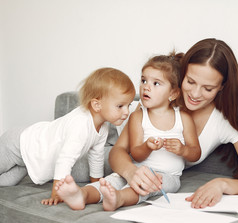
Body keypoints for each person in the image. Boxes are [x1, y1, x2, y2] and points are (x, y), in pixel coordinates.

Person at [108, 38, 238, 209]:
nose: (195, 94)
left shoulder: (222, 122)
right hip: (112, 138)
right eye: (190, 82)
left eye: (208, 88)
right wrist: (131, 172)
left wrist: (222, 184)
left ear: (222, 87)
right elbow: (117, 152)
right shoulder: (159, 99)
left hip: (156, 174)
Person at [55, 52, 201, 211]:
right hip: (136, 168)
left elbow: (195, 153)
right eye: (144, 80)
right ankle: (81, 195)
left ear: (173, 93)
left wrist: (183, 149)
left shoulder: (183, 118)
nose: (146, 86)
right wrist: (147, 147)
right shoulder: (137, 117)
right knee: (111, 181)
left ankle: (119, 199)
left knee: (145, 186)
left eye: (156, 83)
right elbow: (136, 154)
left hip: (168, 176)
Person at [0, 67, 135, 206]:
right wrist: (57, 193)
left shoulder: (103, 128)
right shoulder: (80, 124)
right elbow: (65, 160)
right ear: (96, 105)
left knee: (6, 183)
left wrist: (97, 186)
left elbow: (96, 158)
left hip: (27, 161)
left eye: (128, 105)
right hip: (17, 144)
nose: (126, 112)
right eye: (120, 106)